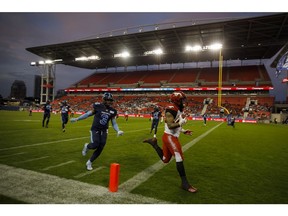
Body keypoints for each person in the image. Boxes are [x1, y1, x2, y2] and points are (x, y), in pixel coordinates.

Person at [143, 91, 197, 193]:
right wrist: (182, 122)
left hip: (169, 136)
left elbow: (176, 124)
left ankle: (154, 144)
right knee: (179, 157)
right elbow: (170, 126)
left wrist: (184, 131)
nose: (183, 102)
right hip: (170, 137)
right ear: (177, 100)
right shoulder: (170, 109)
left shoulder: (178, 110)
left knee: (165, 159)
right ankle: (185, 183)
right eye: (182, 100)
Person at [70, 92, 124, 171]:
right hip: (95, 129)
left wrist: (118, 130)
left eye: (110, 100)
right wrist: (77, 119)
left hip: (104, 130)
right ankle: (87, 146)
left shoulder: (113, 111)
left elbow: (114, 123)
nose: (109, 101)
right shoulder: (98, 106)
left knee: (101, 147)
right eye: (108, 100)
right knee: (95, 144)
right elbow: (88, 114)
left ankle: (89, 162)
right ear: (104, 99)